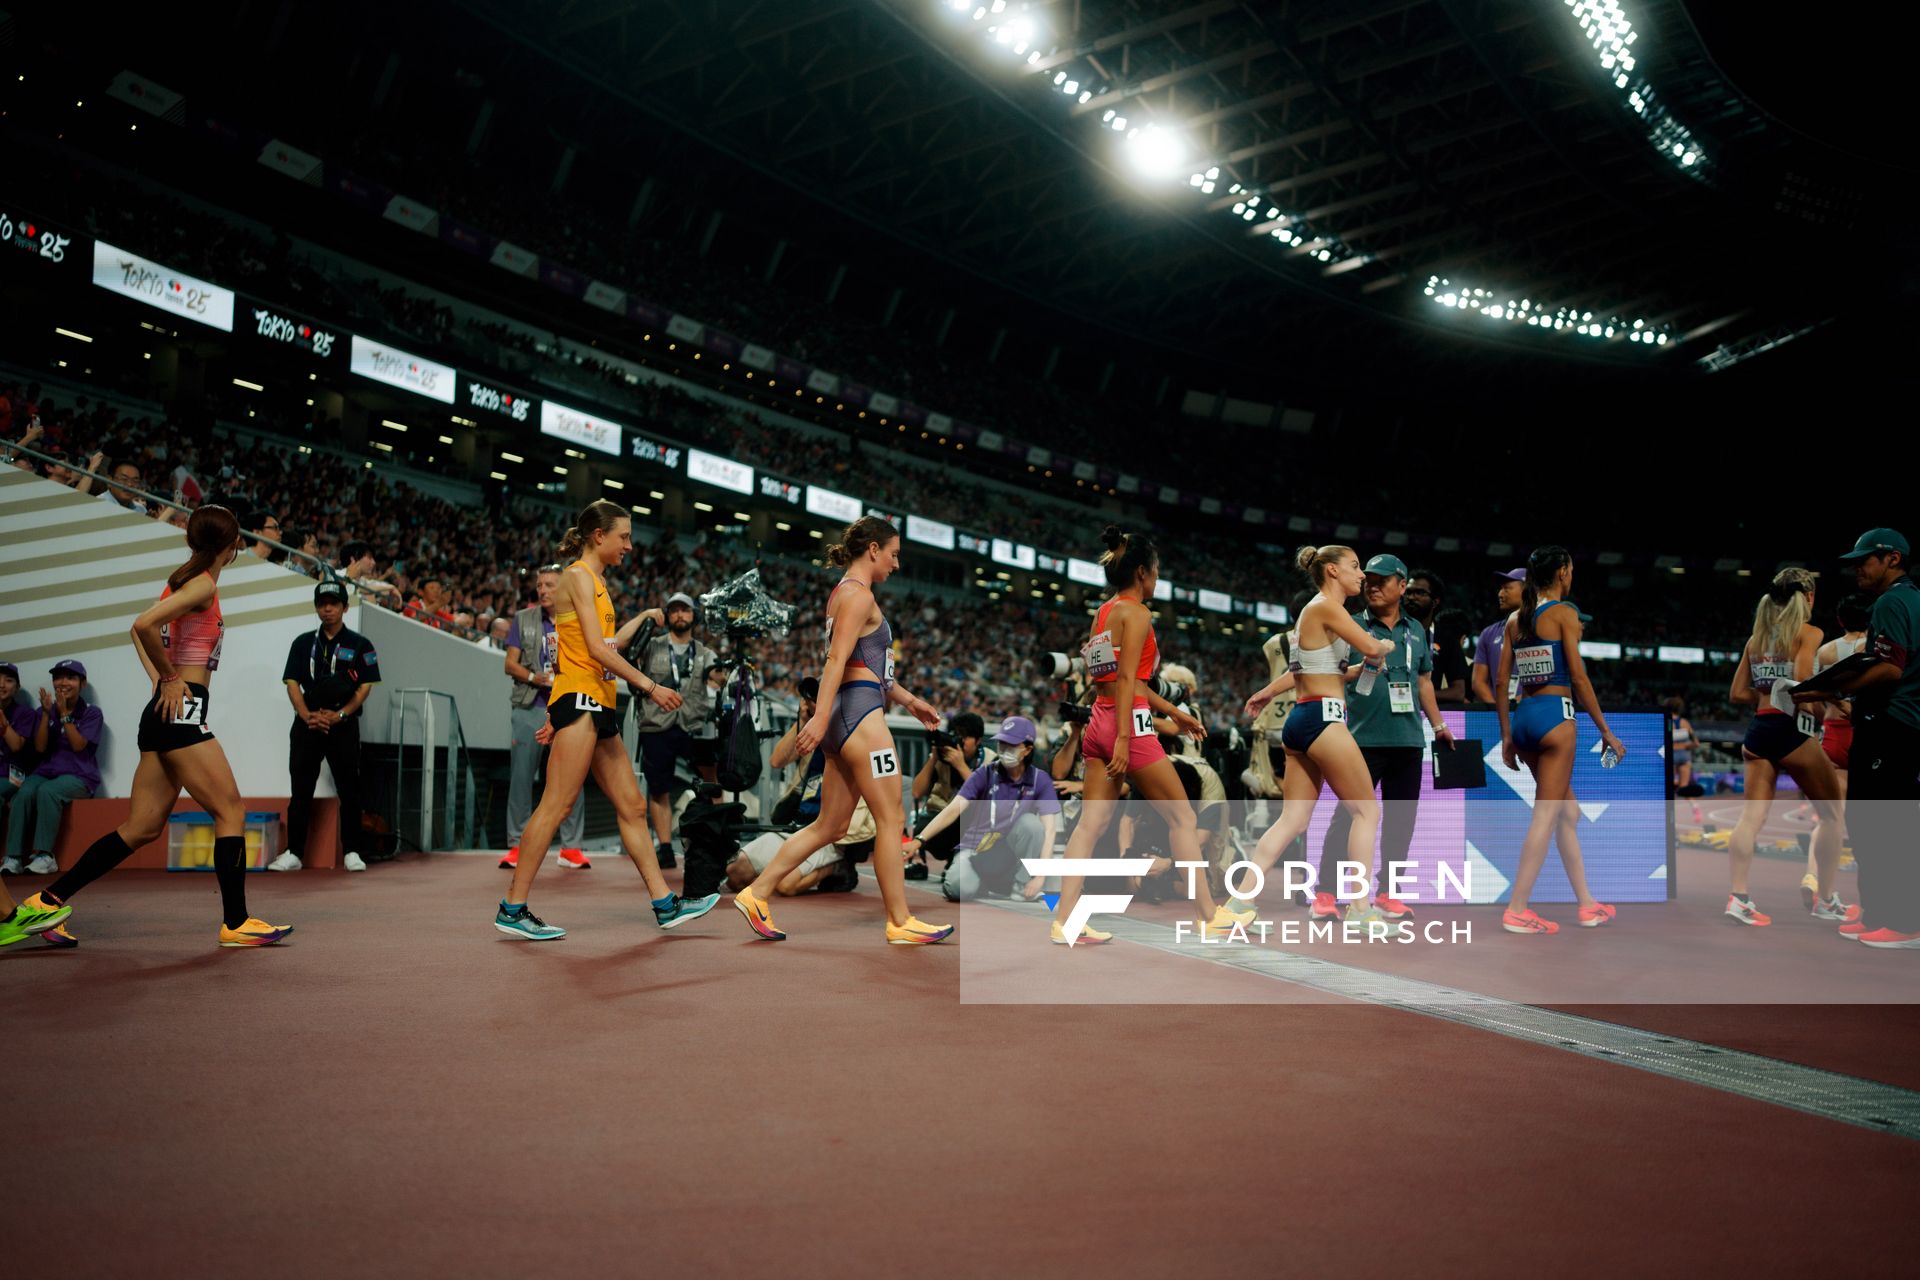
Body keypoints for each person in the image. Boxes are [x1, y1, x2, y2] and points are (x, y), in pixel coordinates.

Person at [12, 507, 293, 946]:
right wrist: (170, 678)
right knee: (231, 811)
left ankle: (45, 903)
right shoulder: (202, 585)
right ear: (232, 544)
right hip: (182, 712)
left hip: (164, 713)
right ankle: (236, 923)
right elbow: (143, 625)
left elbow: (138, 631)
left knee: (141, 827)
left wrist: (162, 680)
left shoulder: (182, 581)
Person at [495, 500, 719, 940]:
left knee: (633, 806)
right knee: (556, 805)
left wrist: (639, 622)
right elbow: (596, 651)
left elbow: (599, 645)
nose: (629, 546)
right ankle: (512, 908)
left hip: (595, 702)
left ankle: (665, 904)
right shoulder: (578, 576)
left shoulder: (596, 582)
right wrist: (650, 687)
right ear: (599, 536)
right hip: (581, 699)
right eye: (624, 537)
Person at [732, 515, 953, 945]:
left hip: (847, 716)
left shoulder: (844, 594)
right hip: (860, 718)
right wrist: (818, 717)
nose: (896, 564)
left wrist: (909, 701)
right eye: (893, 555)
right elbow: (834, 662)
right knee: (892, 818)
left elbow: (866, 666)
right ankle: (900, 919)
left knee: (830, 826)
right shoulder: (858, 595)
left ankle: (757, 892)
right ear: (873, 549)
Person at [1050, 525, 1238, 946]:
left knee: (1089, 825)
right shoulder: (1137, 614)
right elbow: (1128, 683)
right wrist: (1123, 739)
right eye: (1155, 570)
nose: (1157, 578)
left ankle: (1064, 921)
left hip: (1099, 721)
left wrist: (1175, 713)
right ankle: (1208, 915)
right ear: (1142, 572)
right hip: (1127, 726)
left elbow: (1117, 680)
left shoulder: (1103, 612)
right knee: (1183, 818)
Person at [1239, 546, 1398, 928]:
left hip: (1302, 719)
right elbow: (1373, 645)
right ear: (1332, 571)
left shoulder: (1314, 611)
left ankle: (1238, 904)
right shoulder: (1327, 607)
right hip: (1324, 719)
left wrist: (1266, 692)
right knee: (1366, 812)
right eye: (1355, 566)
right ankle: (1360, 909)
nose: (1362, 575)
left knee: (1292, 820)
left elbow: (1307, 670)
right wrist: (1384, 647)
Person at [1307, 554, 1456, 921]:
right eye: (1369, 579)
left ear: (1402, 586)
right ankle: (1326, 893)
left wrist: (1438, 726)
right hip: (1360, 740)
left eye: (1382, 580)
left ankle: (1388, 893)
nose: (1372, 586)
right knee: (1347, 818)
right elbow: (1328, 674)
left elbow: (1423, 681)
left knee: (1401, 821)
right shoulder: (1348, 624)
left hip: (1408, 740)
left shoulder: (1416, 630)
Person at [1796, 529, 1920, 947]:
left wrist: (1832, 689)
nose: (1857, 569)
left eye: (1865, 560)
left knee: (1880, 826)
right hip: (1901, 725)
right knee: (1879, 824)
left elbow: (1889, 669)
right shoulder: (1912, 600)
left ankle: (1903, 924)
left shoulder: (1891, 602)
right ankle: (1880, 914)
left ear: (1893, 559)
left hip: (1890, 724)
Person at [1491, 546, 1620, 935]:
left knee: (1567, 812)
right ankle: (1517, 908)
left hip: (1525, 720)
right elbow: (1578, 678)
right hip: (1556, 719)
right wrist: (1605, 730)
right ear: (1563, 572)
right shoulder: (1564, 613)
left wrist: (1507, 736)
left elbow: (1502, 681)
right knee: (1546, 815)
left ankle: (1587, 904)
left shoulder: (1515, 619)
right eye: (1572, 570)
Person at [1722, 569, 1850, 926]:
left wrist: (1768, 692)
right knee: (1832, 816)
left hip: (1759, 731)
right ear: (1808, 597)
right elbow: (1804, 683)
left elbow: (1737, 693)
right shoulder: (1808, 633)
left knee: (1751, 818)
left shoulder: (1757, 638)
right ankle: (1826, 899)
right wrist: (1835, 701)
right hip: (1790, 729)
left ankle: (1738, 898)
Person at [273, 580, 380, 873]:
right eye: (322, 604)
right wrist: (307, 715)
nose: (327, 609)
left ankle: (352, 851)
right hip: (307, 725)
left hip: (342, 726)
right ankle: (294, 852)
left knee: (349, 789)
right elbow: (292, 683)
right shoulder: (302, 643)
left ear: (345, 607)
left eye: (333, 604)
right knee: (300, 790)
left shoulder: (360, 644)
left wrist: (340, 715)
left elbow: (365, 687)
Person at [906, 715, 1062, 902]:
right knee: (957, 889)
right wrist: (919, 840)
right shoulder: (985, 773)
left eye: (1011, 745)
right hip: (977, 848)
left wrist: (1040, 877)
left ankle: (1020, 884)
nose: (1005, 750)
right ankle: (986, 882)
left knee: (1032, 825)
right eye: (1002, 744)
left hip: (1008, 849)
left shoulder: (1040, 779)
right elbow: (953, 809)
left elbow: (1049, 830)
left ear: (1027, 750)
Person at [500, 564, 586, 871]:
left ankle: (571, 848)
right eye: (539, 585)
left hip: (568, 706)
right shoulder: (523, 619)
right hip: (529, 706)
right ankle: (516, 844)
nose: (543, 590)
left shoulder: (579, 618)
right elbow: (510, 664)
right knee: (521, 777)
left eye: (550, 585)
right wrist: (535, 678)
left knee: (571, 779)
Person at [634, 591, 720, 869]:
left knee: (711, 784)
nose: (680, 615)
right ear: (667, 615)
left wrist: (725, 675)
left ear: (694, 615)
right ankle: (665, 847)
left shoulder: (705, 653)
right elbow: (620, 644)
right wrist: (645, 617)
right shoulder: (652, 645)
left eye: (685, 610)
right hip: (656, 725)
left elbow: (720, 677)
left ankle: (714, 841)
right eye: (674, 610)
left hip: (693, 726)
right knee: (658, 789)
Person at [1800, 594, 1872, 906]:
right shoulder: (1873, 647)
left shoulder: (1826, 650)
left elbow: (1814, 696)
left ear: (1840, 620)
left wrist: (1828, 717)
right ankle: (1873, 897)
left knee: (1830, 818)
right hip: (1864, 732)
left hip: (1832, 734)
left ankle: (1811, 875)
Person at [3, 661, 105, 876]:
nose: (63, 682)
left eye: (70, 677)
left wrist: (64, 714)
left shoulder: (91, 712)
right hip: (46, 772)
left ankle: (45, 856)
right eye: (58, 678)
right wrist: (46, 714)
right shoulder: (44, 711)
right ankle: (13, 857)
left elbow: (78, 746)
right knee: (24, 792)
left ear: (83, 683)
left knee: (47, 791)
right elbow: (40, 747)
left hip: (80, 776)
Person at [908, 711, 986, 878]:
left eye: (965, 737)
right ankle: (923, 860)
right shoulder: (943, 758)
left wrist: (961, 766)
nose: (959, 741)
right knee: (923, 824)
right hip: (945, 821)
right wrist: (933, 759)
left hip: (973, 825)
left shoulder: (990, 761)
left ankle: (957, 862)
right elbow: (916, 791)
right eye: (956, 735)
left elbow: (986, 799)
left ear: (978, 740)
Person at [1406, 569, 1469, 703]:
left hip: (1426, 712)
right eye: (1408, 592)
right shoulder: (1390, 631)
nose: (1411, 597)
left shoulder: (1447, 639)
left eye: (1420, 593)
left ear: (1435, 601)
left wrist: (1417, 693)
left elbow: (1458, 692)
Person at [1, 661, 40, 861]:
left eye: (8, 680)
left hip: (15, 775)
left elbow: (16, 745)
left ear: (17, 687)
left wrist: (3, 724)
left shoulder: (26, 714)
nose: (1, 685)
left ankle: (13, 858)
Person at [1471, 569, 1528, 704]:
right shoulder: (1488, 633)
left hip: (1534, 710)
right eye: (1501, 589)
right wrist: (1498, 710)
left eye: (1507, 589)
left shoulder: (1544, 630)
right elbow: (1478, 682)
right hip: (1497, 711)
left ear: (1526, 591)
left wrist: (1523, 703)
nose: (1500, 594)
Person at [1667, 697, 1704, 826]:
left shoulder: (1666, 721)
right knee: (1684, 787)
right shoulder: (1685, 723)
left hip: (1671, 755)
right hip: (1684, 755)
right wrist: (1685, 746)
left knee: (1668, 787)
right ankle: (1695, 807)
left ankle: (1669, 816)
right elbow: (1696, 743)